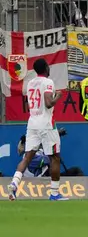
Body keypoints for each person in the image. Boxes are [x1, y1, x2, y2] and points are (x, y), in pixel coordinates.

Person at [7, 59, 65, 201]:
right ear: (46, 68)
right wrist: (58, 95)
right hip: (46, 124)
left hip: (32, 123)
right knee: (54, 157)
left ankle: (14, 184)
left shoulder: (30, 83)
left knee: (27, 157)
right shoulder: (48, 82)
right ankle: (54, 193)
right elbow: (48, 103)